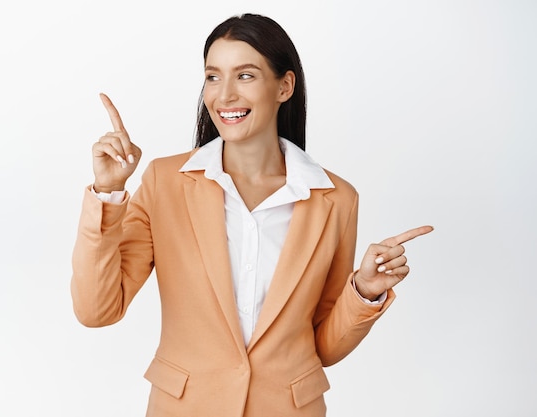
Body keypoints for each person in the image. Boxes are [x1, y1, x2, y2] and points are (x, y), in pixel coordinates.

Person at [71, 13, 433, 417]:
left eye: (245, 75)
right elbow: (97, 309)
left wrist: (364, 291)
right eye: (212, 76)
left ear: (284, 86)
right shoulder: (164, 182)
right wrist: (107, 191)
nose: (223, 95)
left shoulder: (336, 199)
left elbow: (324, 348)